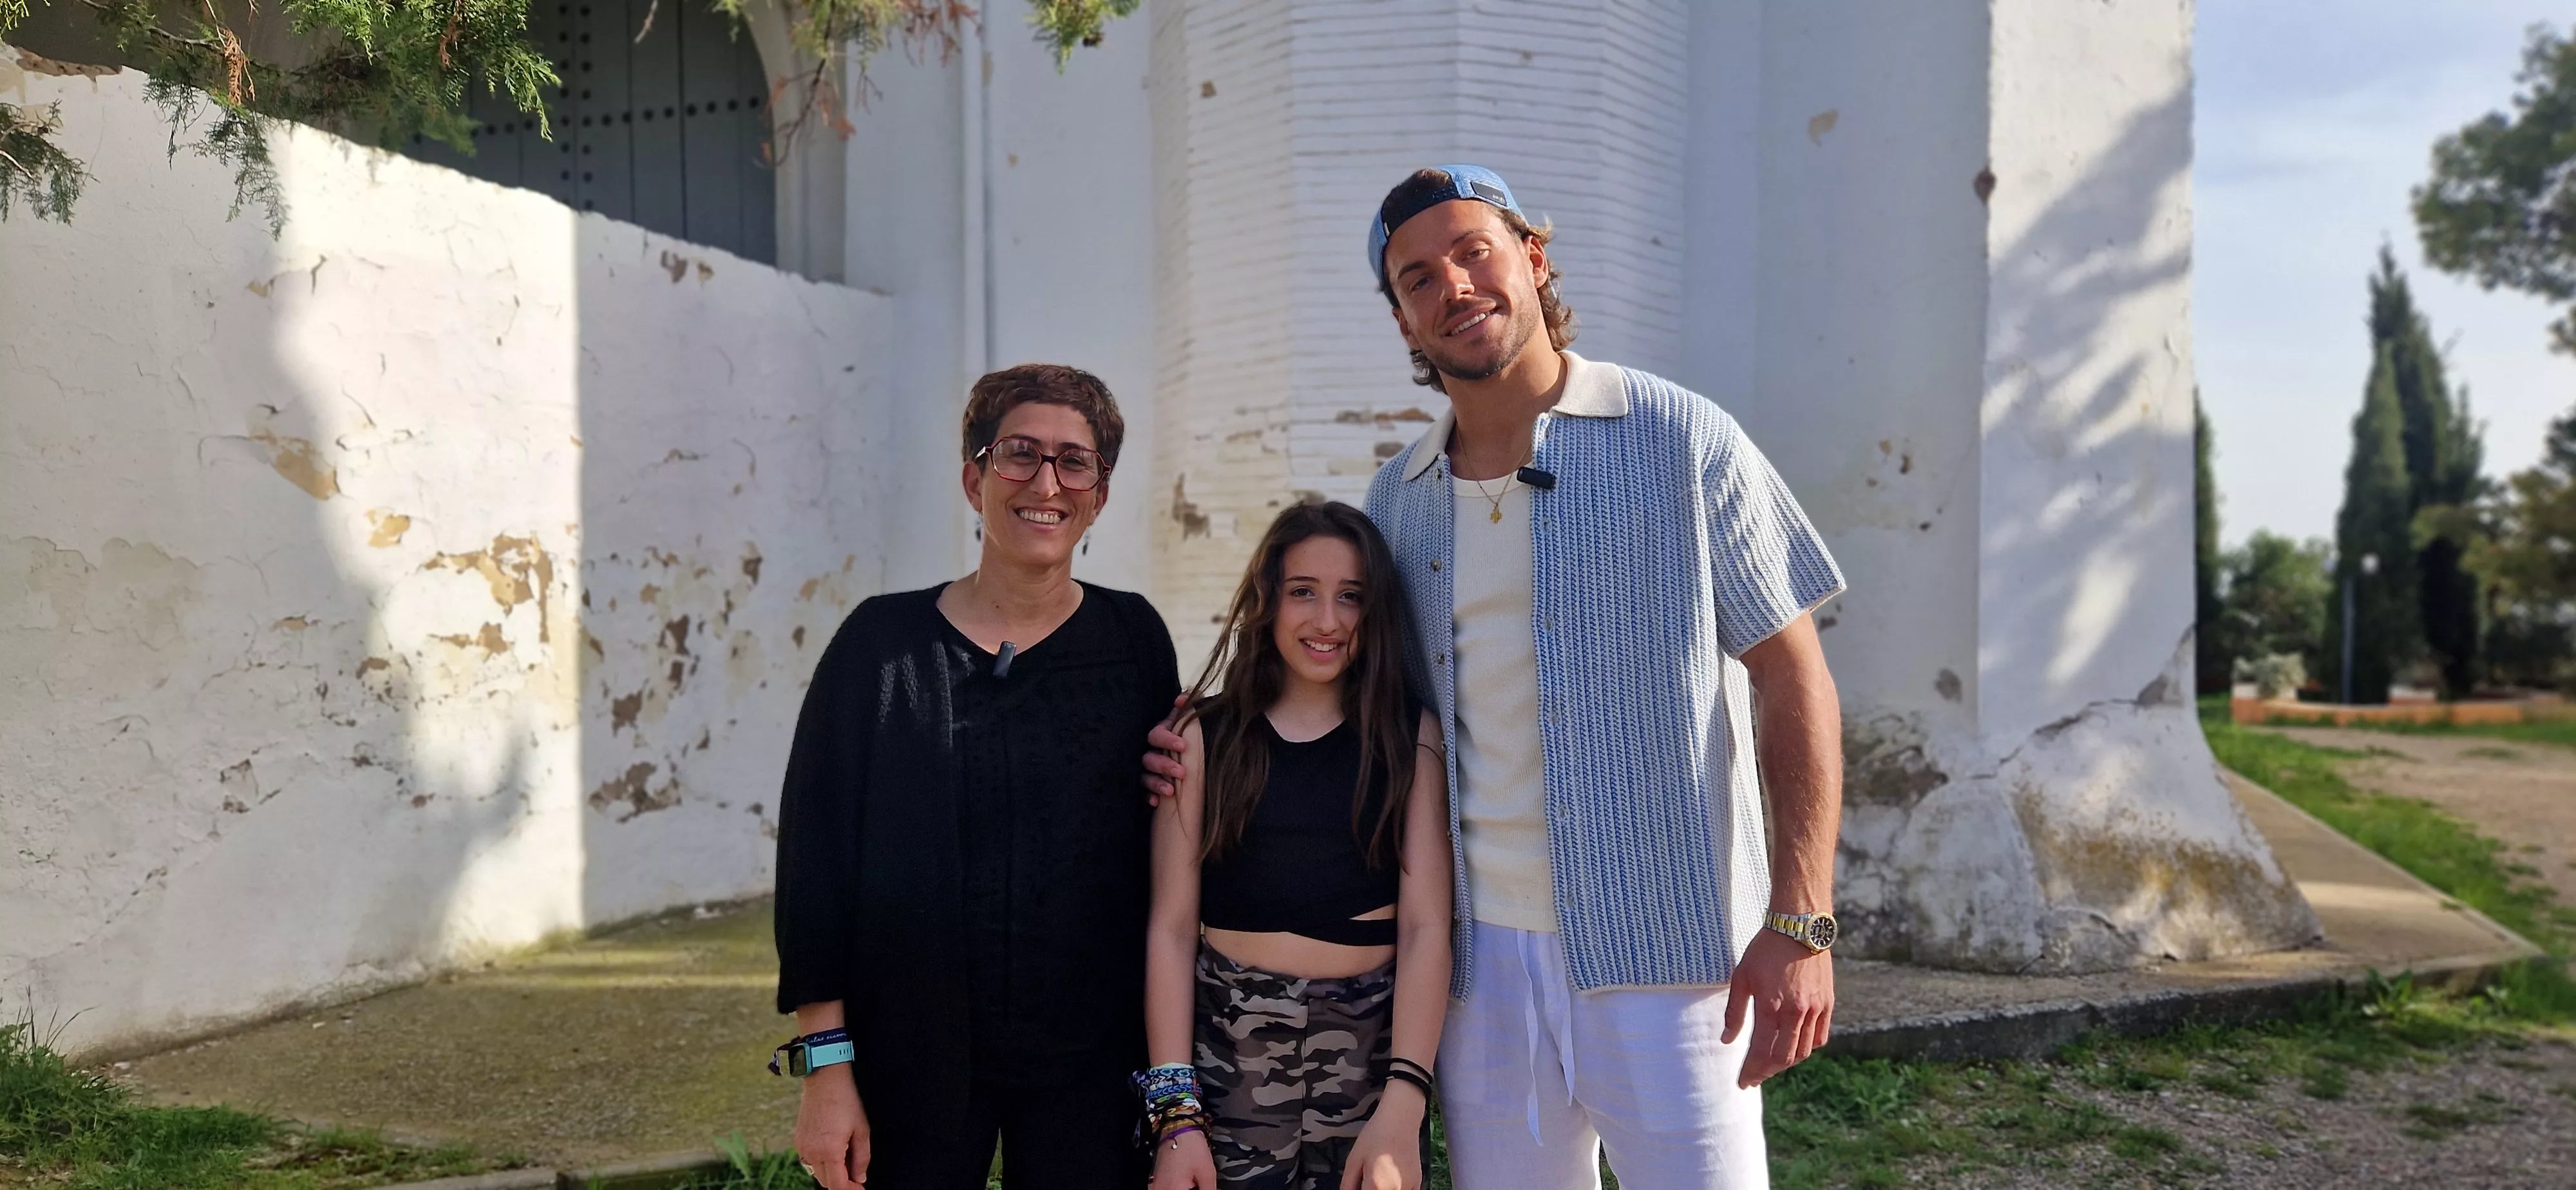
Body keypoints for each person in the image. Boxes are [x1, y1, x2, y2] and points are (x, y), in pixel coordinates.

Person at [1150, 164, 1848, 1188]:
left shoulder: (1684, 440)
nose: (1455, 286)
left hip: (1669, 949)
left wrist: (1801, 919)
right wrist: (1199, 736)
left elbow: (1796, 681)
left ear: (1532, 257)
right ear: (1404, 322)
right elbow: (1343, 689)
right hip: (1476, 975)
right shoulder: (1399, 500)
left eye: (1475, 251)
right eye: (1418, 277)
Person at [775, 363, 1179, 1190]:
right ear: (974, 479)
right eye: (1018, 454)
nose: (1046, 482)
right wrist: (826, 1067)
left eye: (1076, 462)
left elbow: (1160, 829)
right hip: (909, 1056)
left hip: (1089, 1063)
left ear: (1099, 495)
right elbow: (816, 867)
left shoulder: (1134, 638)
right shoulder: (879, 648)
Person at [1141, 502, 1453, 1190]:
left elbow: (1429, 926)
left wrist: (1404, 1098)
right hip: (1229, 1058)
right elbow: (1168, 930)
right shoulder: (1203, 736)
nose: (1326, 621)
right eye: (1302, 592)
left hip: (1369, 1055)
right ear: (1266, 600)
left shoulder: (1409, 737)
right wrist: (1176, 1113)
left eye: (1351, 598)